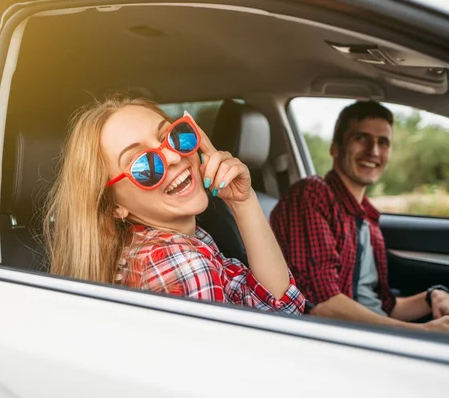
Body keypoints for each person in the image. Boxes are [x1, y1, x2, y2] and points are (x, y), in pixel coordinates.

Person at [43, 95, 306, 315]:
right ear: (113, 206)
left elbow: (278, 305)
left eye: (172, 135)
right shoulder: (180, 263)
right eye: (143, 164)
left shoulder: (161, 244)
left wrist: (243, 202)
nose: (172, 156)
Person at [270, 100, 449, 334]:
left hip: (372, 331)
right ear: (335, 148)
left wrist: (435, 295)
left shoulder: (367, 218)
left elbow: (383, 306)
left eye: (383, 142)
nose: (373, 151)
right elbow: (323, 304)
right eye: (361, 138)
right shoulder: (312, 194)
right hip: (340, 337)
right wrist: (423, 333)